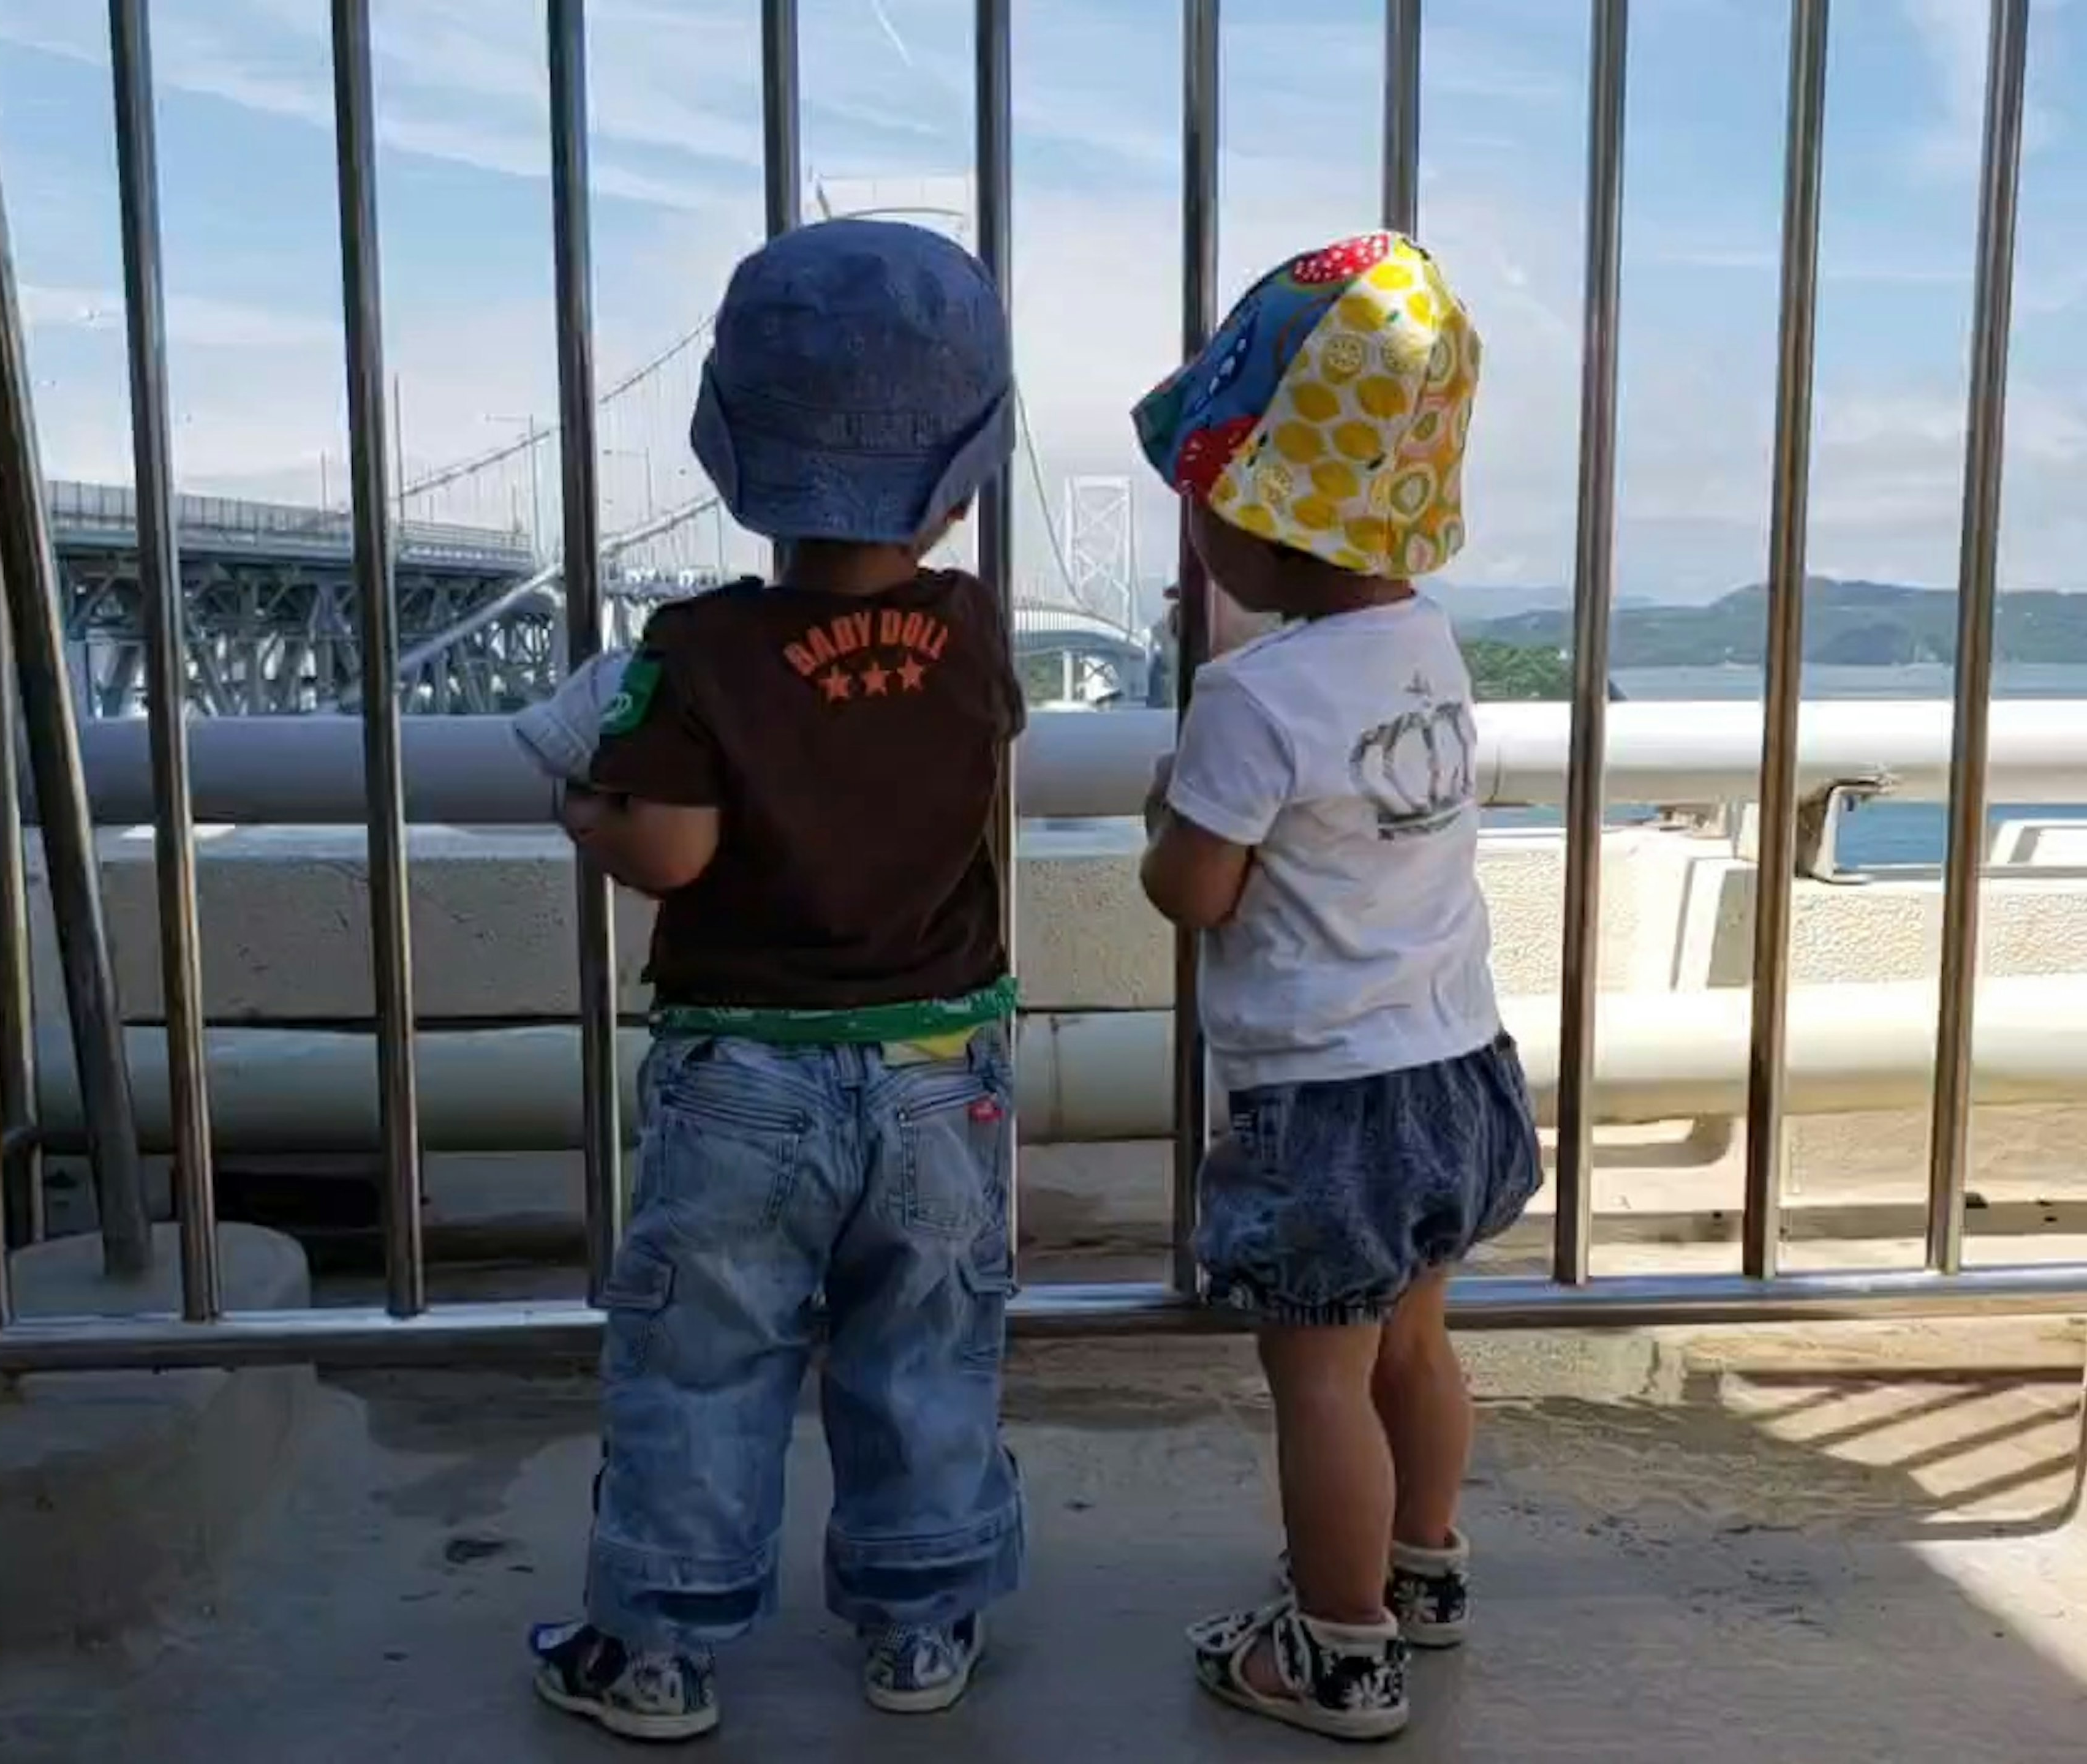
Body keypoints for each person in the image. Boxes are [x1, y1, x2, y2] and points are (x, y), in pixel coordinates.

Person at [530, 217, 1027, 1744]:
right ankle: (924, 1622)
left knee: (705, 1359)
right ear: (960, 482)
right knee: (925, 1349)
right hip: (944, 1070)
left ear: (733, 451)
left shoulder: (700, 648)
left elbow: (669, 852)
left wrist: (587, 802)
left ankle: (663, 1650)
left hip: (743, 1078)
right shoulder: (970, 632)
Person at [1130, 232, 1542, 1742]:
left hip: (1327, 1104)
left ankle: (1338, 1645)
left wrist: (1166, 815)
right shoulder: (1430, 645)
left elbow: (1196, 890)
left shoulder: (1247, 698)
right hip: (1458, 1071)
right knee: (1417, 1349)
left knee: (1318, 1384)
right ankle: (1424, 1572)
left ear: (1258, 516)